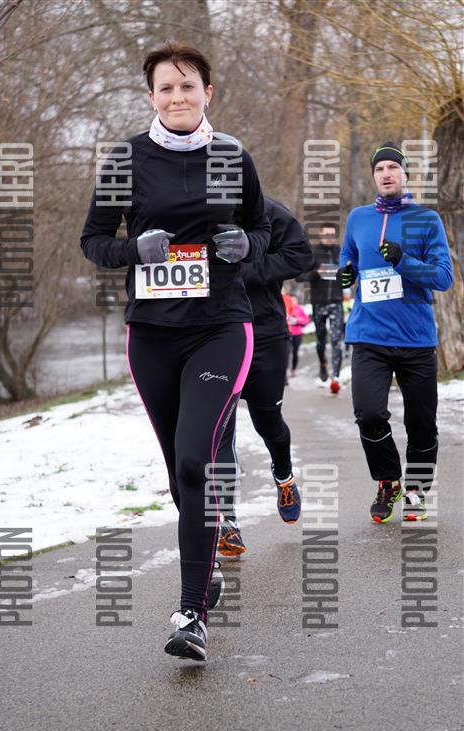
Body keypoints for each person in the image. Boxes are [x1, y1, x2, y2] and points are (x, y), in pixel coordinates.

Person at [80, 43, 270, 661]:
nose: (177, 97)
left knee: (195, 462)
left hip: (220, 326)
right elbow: (93, 241)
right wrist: (133, 250)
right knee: (178, 471)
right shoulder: (126, 158)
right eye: (166, 87)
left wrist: (246, 245)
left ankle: (191, 614)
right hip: (152, 335)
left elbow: (264, 228)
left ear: (207, 93)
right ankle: (206, 562)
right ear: (152, 97)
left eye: (188, 86)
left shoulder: (232, 156)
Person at [337, 141, 453, 524]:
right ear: (373, 176)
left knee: (421, 423)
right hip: (369, 335)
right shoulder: (358, 218)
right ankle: (388, 481)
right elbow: (348, 256)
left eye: (392, 167)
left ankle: (417, 491)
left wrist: (404, 261)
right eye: (379, 169)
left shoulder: (427, 219)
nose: (386, 174)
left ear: (405, 173)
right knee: (369, 414)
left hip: (416, 337)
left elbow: (443, 278)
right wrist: (346, 272)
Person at [217, 196, 313, 557]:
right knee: (219, 430)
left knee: (268, 421)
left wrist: (243, 270)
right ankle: (227, 523)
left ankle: (284, 476)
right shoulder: (190, 209)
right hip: (215, 335)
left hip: (265, 334)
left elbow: (300, 256)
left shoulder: (266, 211)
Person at [297, 223, 344, 394]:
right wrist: (316, 273)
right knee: (321, 339)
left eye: (332, 235)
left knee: (336, 339)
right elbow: (299, 277)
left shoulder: (340, 252)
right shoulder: (313, 253)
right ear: (320, 235)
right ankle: (323, 364)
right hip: (319, 303)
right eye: (326, 235)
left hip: (336, 301)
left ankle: (336, 376)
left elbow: (348, 271)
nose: (329, 238)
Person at [286, 295, 310, 377]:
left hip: (297, 334)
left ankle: (293, 370)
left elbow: (306, 320)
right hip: (288, 334)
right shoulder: (286, 308)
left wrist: (297, 320)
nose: (293, 302)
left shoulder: (300, 309)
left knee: (295, 352)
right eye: (291, 300)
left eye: (294, 300)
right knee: (287, 352)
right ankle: (286, 370)